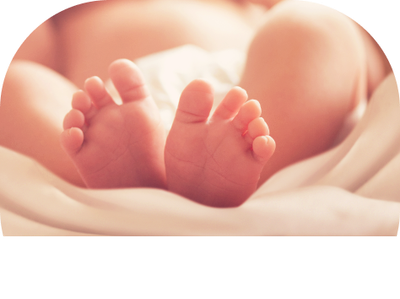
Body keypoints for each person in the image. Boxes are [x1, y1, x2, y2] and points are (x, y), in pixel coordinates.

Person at [1, 0, 392, 207]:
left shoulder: (248, 7)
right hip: (109, 116)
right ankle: (127, 175)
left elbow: (368, 60)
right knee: (12, 82)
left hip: (245, 96)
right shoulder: (67, 20)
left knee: (315, 23)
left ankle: (239, 163)